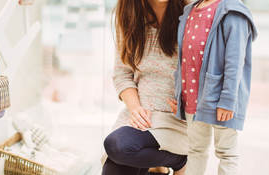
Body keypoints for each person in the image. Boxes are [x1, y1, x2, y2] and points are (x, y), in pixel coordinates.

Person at [168, 0, 258, 174]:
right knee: (196, 150)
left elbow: (235, 63)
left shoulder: (233, 12)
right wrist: (179, 94)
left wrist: (228, 99)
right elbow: (184, 60)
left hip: (221, 100)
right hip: (193, 98)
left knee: (227, 153)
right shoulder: (191, 11)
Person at [102, 0, 189, 175]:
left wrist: (189, 104)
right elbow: (122, 73)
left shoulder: (192, 15)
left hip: (176, 121)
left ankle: (179, 160)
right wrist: (135, 109)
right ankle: (160, 166)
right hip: (140, 118)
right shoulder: (129, 15)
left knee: (118, 147)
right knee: (115, 158)